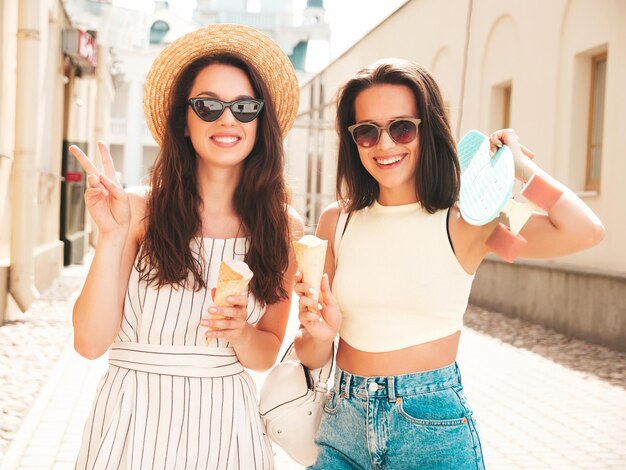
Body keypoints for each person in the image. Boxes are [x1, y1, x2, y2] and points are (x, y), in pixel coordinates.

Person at [294, 58, 605, 469]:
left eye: (402, 127)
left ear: (429, 129)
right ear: (354, 141)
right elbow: (312, 354)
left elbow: (583, 230)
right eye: (367, 132)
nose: (385, 145)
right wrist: (320, 333)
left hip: (430, 429)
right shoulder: (338, 221)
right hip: (343, 424)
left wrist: (519, 167)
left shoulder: (468, 222)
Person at [70, 24, 302, 469]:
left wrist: (241, 332)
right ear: (184, 119)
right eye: (208, 105)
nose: (227, 118)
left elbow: (266, 351)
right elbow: (89, 343)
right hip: (130, 423)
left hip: (228, 429)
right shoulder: (138, 211)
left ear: (261, 121)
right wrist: (112, 237)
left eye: (244, 106)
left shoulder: (282, 226)